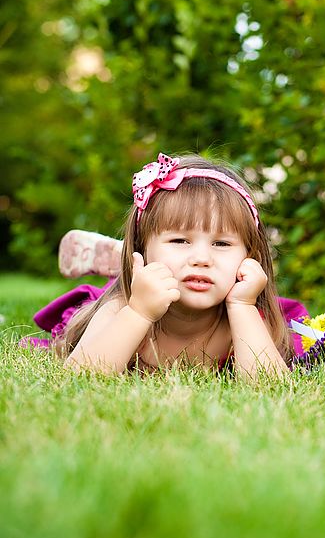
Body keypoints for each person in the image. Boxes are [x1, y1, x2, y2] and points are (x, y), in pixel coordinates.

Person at [26, 152, 308, 378]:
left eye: (221, 244)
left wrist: (242, 306)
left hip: (189, 279)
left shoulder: (250, 315)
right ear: (141, 248)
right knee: (129, 286)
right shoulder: (122, 306)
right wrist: (139, 312)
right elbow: (79, 377)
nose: (202, 258)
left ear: (251, 257)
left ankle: (130, 253)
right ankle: (123, 258)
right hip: (140, 288)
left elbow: (271, 389)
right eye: (180, 240)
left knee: (177, 265)